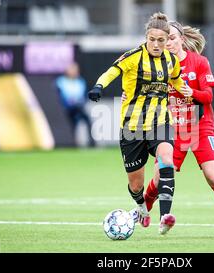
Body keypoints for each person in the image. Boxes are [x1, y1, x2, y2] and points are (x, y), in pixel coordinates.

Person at [123, 21, 214, 238]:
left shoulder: (199, 62)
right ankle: (143, 212)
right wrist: (131, 96)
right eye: (165, 39)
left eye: (172, 38)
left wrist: (188, 92)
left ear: (181, 39)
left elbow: (208, 97)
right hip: (172, 128)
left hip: (199, 127)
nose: (168, 43)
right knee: (159, 177)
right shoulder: (157, 66)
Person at [88, 12, 191, 235]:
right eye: (152, 39)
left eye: (161, 40)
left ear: (166, 40)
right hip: (132, 128)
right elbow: (112, 71)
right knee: (136, 185)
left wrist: (183, 88)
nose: (156, 44)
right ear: (146, 37)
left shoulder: (171, 60)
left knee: (166, 159)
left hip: (160, 123)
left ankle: (165, 217)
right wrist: (99, 86)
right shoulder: (133, 56)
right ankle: (142, 208)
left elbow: (175, 78)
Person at [56, 62, 96, 147]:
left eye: (75, 70)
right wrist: (68, 103)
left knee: (87, 121)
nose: (74, 71)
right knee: (72, 124)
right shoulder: (61, 81)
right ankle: (72, 143)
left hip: (79, 107)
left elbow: (84, 95)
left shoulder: (80, 81)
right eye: (72, 69)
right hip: (67, 108)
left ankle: (91, 143)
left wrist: (81, 101)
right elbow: (59, 96)